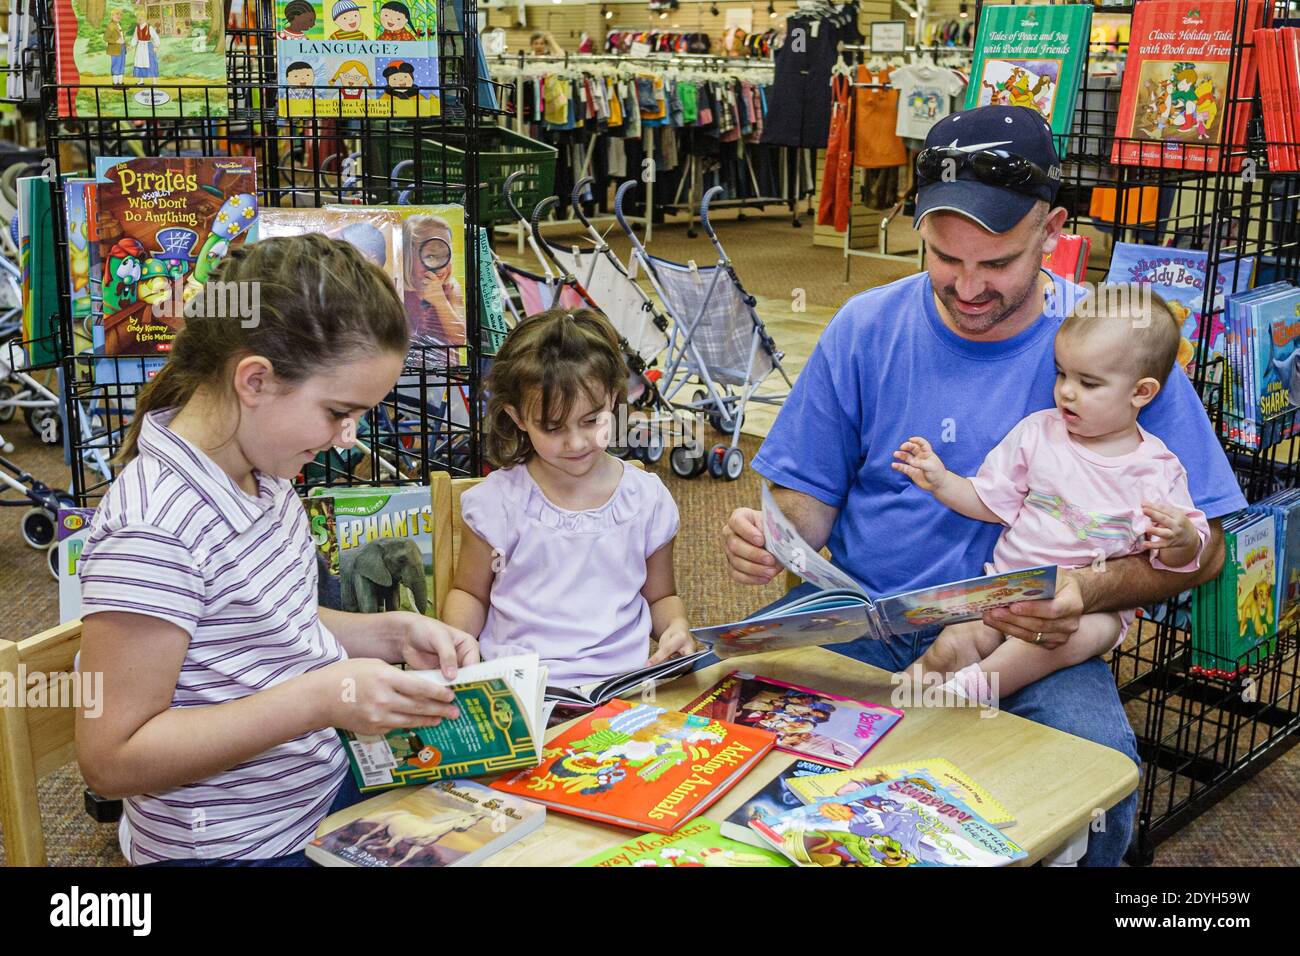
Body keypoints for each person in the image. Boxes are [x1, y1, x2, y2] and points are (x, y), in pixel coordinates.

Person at [720, 105, 1246, 866]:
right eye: (942, 256)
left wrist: (1086, 593)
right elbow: (808, 499)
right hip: (864, 613)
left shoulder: (1117, 347)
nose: (966, 286)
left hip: (1032, 639)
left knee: (1093, 790)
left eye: (996, 263)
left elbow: (1207, 553)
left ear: (1054, 230)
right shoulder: (867, 325)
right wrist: (771, 538)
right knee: (727, 744)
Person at [75, 235, 479, 865]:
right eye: (339, 412)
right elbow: (111, 759)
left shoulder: (261, 470)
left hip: (316, 792)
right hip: (236, 846)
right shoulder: (153, 530)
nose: (348, 440)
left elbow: (257, 625)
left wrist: (388, 633)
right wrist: (324, 698)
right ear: (255, 380)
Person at [891, 286, 1211, 701]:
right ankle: (899, 704)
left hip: (1091, 610)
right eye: (1062, 374)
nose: (1067, 391)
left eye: (1089, 383)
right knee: (952, 645)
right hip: (1008, 589)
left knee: (1068, 639)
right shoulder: (1038, 433)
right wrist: (941, 481)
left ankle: (972, 691)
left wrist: (1181, 538)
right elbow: (988, 502)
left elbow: (1185, 558)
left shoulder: (1157, 469)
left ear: (1141, 392)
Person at [440, 309, 696, 687]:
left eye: (592, 421)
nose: (576, 442)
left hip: (624, 686)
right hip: (518, 687)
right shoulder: (498, 503)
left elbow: (661, 598)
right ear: (518, 416)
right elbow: (469, 593)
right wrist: (458, 641)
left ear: (611, 398)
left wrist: (676, 627)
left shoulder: (645, 499)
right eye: (553, 427)